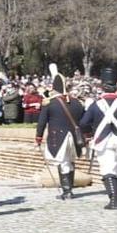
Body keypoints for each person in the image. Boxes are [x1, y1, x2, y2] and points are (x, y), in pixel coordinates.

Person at [81, 66, 117, 210]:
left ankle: (114, 201)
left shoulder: (95, 105)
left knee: (107, 169)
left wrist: (88, 135)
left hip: (103, 140)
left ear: (102, 87)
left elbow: (84, 123)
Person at [34, 67, 84, 200]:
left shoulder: (49, 103)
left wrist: (38, 137)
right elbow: (83, 121)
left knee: (63, 162)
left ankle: (67, 191)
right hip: (74, 137)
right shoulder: (77, 102)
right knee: (70, 161)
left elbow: (42, 122)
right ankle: (69, 189)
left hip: (59, 138)